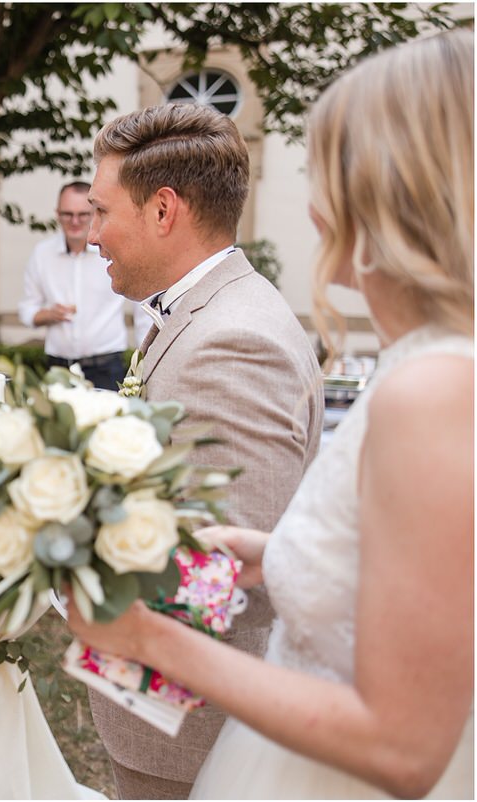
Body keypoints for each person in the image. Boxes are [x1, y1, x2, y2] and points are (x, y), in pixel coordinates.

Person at [68, 29, 474, 799]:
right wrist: (274, 553)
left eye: (330, 173)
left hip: (216, 741)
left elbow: (407, 743)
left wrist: (138, 630)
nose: (317, 212)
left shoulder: (245, 341)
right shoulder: (428, 363)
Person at [80, 103, 325, 797]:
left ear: (163, 210)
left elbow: (223, 578)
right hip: (167, 715)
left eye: (102, 211)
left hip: (194, 739)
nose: (94, 236)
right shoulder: (200, 313)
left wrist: (52, 567)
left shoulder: (232, 342)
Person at [18, 181, 150, 390]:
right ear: (57, 214)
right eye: (67, 214)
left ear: (95, 214)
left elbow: (142, 309)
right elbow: (27, 309)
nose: (75, 221)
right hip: (58, 368)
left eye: (82, 214)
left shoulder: (115, 251)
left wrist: (146, 361)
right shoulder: (42, 254)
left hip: (107, 367)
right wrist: (48, 315)